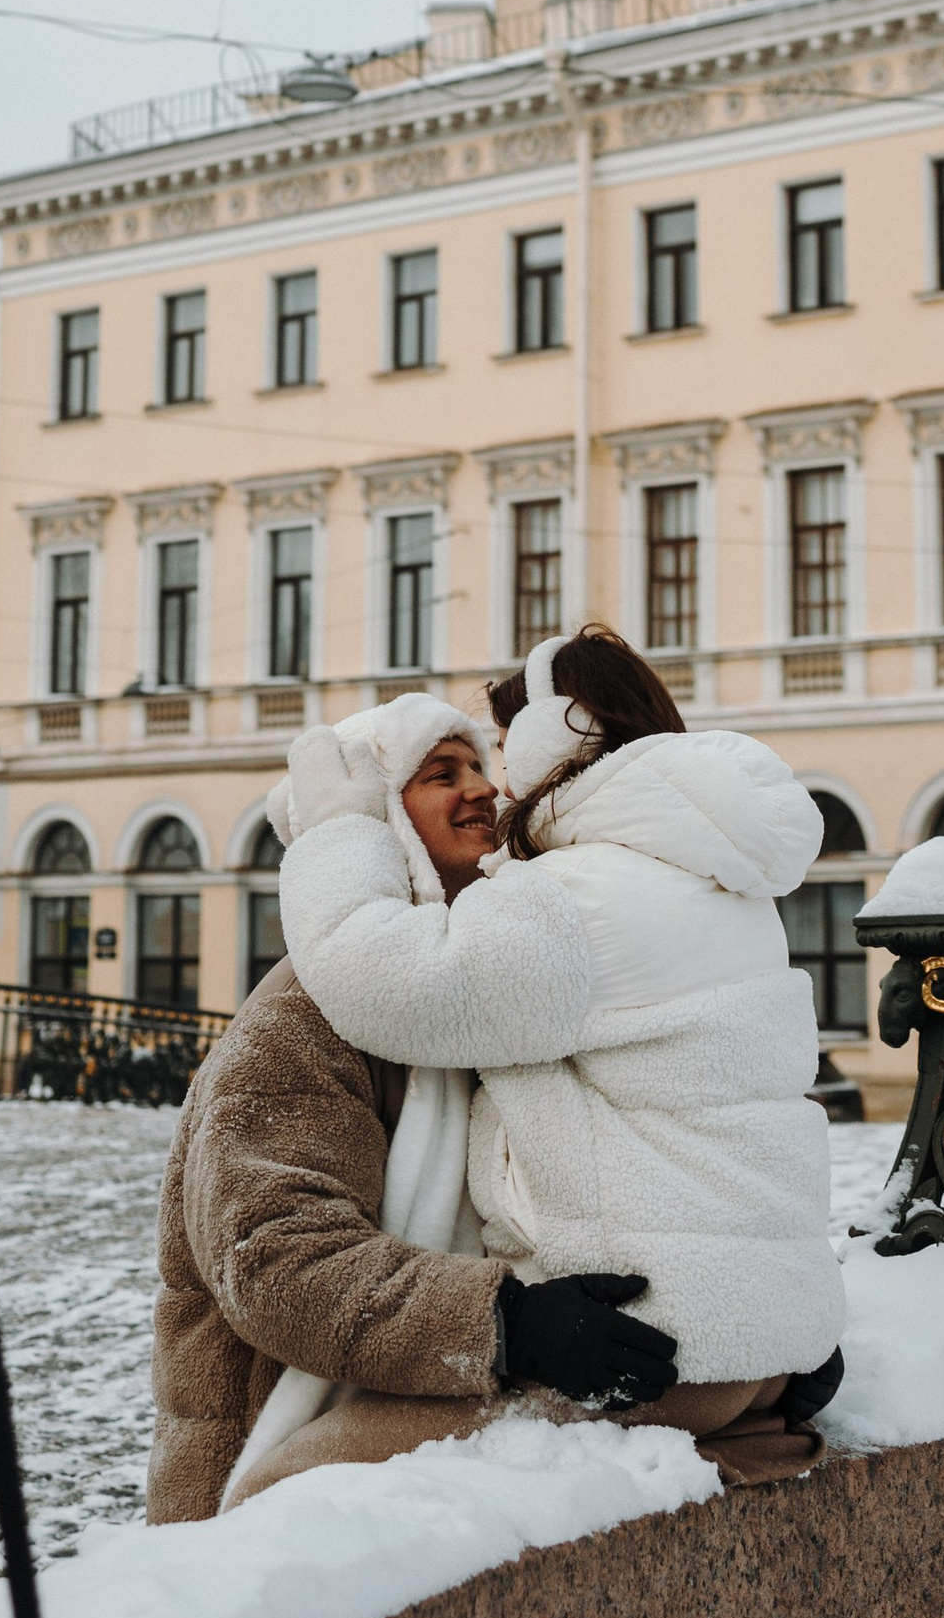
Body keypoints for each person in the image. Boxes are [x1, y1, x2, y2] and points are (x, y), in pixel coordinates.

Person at [275, 624, 844, 1493]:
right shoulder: (709, 878)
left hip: (652, 1346)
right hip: (760, 1345)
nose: (493, 785)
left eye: (501, 749)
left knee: (286, 1487)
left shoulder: (581, 898)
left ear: (556, 736)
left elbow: (383, 975)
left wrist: (337, 829)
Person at [147, 691, 679, 1521]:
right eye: (441, 774)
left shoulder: (486, 994)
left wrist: (752, 1345)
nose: (484, 791)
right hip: (270, 1464)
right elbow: (273, 1258)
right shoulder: (301, 1014)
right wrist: (507, 1323)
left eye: (480, 767)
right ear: (380, 822)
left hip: (430, 1449)